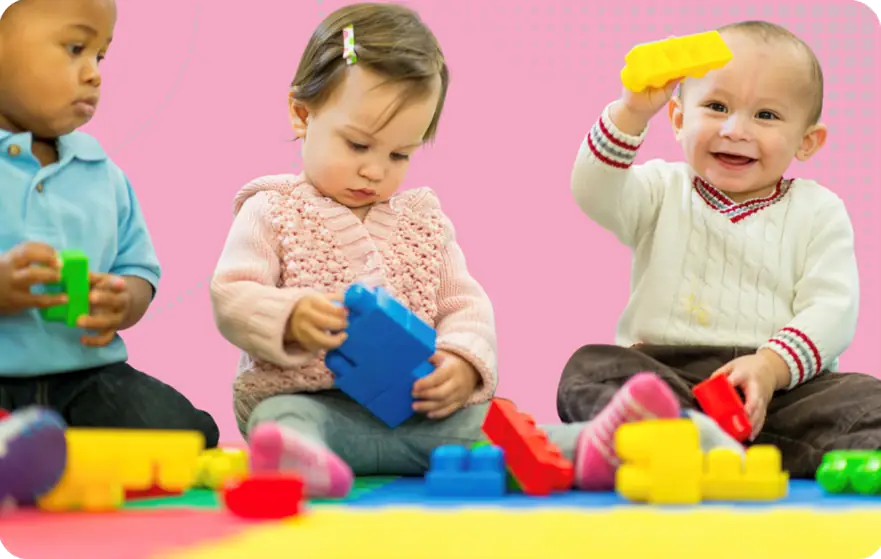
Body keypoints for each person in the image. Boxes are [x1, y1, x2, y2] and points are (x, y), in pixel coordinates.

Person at [209, 2, 748, 495]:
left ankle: (602, 444)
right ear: (302, 115)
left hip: (420, 419)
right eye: (357, 145)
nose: (376, 170)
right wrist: (287, 317)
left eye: (401, 153)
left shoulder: (423, 220)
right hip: (317, 409)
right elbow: (232, 294)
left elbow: (463, 304)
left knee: (496, 430)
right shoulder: (271, 210)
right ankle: (297, 461)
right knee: (280, 416)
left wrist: (462, 363)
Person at [557, 20, 881, 478]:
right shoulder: (660, 189)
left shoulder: (819, 210)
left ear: (807, 141)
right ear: (677, 118)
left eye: (766, 115)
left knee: (868, 399)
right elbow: (592, 189)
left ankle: (703, 447)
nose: (734, 129)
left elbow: (832, 309)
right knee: (590, 369)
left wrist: (769, 369)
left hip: (781, 389)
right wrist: (630, 111)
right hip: (669, 374)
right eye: (715, 106)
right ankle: (676, 436)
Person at [0, 0, 218, 448]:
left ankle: (38, 452)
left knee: (186, 432)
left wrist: (122, 301)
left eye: (100, 56)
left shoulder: (102, 171)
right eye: (75, 47)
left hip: (87, 377)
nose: (95, 73)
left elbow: (138, 268)